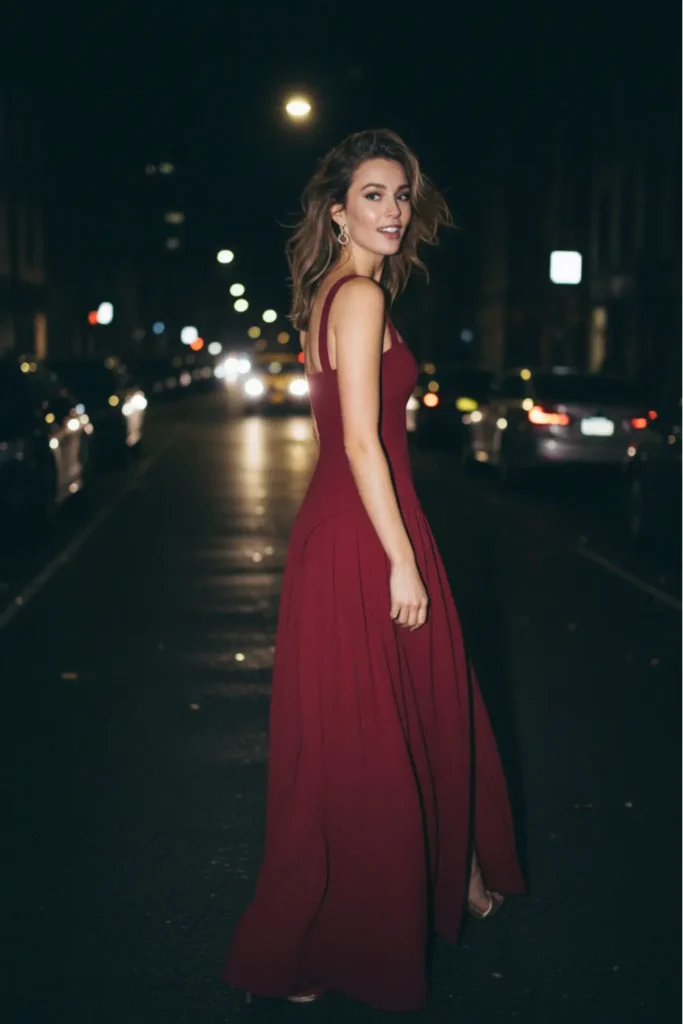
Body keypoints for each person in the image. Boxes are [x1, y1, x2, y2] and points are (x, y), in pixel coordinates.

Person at [223, 128, 524, 1012]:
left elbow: (335, 438)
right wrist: (399, 559)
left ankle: (451, 872)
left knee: (404, 708)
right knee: (367, 734)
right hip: (367, 530)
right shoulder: (353, 295)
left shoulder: (332, 294)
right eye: (374, 194)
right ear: (336, 209)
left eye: (400, 194)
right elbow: (356, 439)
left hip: (356, 522)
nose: (392, 209)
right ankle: (328, 938)